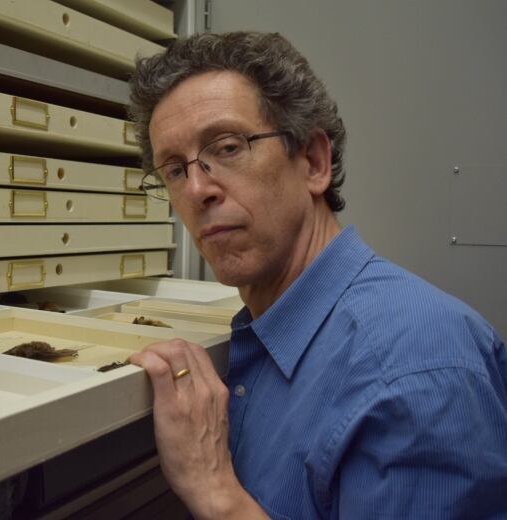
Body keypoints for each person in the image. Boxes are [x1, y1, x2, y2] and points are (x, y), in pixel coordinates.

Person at [127, 31, 507, 519]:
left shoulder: (416, 365)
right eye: (175, 170)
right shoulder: (267, 327)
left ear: (313, 162)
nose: (197, 190)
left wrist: (214, 491)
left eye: (226, 147)